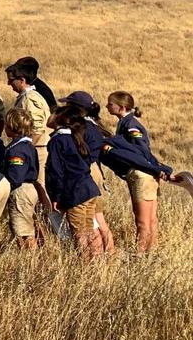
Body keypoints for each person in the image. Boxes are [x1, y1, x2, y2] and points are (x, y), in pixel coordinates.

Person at [106, 91, 168, 253]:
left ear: (122, 107)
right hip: (146, 173)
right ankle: (151, 252)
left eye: (110, 104)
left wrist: (155, 167)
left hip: (142, 174)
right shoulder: (124, 122)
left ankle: (140, 254)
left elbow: (142, 150)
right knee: (151, 219)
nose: (107, 106)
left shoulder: (131, 125)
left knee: (143, 221)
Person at [57, 92, 115, 252]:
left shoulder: (81, 127)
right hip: (93, 172)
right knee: (98, 220)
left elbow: (51, 122)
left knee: (93, 223)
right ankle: (109, 256)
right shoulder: (94, 125)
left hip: (85, 173)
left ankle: (94, 257)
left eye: (67, 106)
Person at [46, 106, 103, 260]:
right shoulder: (76, 137)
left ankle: (84, 265)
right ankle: (96, 262)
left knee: (78, 233)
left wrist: (55, 196)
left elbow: (56, 171)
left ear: (59, 118)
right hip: (89, 189)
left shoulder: (57, 141)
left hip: (74, 192)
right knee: (89, 228)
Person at [7, 64, 51, 204]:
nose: (9, 83)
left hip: (38, 148)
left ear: (22, 80)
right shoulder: (25, 97)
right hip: (33, 148)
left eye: (11, 80)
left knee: (41, 187)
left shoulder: (30, 98)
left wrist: (25, 146)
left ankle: (49, 221)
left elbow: (37, 127)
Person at [2, 109, 42, 250]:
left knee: (22, 232)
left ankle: (30, 258)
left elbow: (15, 176)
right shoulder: (26, 145)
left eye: (7, 125)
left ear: (13, 127)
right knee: (24, 227)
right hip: (28, 189)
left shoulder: (17, 150)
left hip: (21, 191)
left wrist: (3, 189)